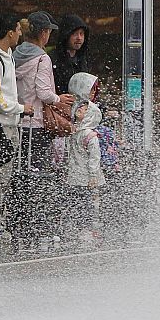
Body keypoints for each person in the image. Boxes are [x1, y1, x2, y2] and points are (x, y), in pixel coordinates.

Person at [0, 15, 33, 240]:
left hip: (12, 125)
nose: (20, 33)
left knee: (4, 179)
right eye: (18, 29)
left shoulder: (9, 55)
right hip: (0, 127)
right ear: (10, 32)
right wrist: (21, 108)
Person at [14, 11, 74, 171]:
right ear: (43, 33)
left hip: (16, 120)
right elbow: (43, 93)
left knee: (19, 169)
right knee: (36, 171)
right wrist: (58, 99)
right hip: (35, 122)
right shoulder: (42, 58)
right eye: (49, 32)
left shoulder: (14, 55)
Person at [65, 72, 106, 245]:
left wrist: (93, 176)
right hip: (75, 175)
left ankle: (87, 228)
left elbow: (94, 158)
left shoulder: (89, 135)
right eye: (80, 108)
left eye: (85, 109)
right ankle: (78, 228)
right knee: (77, 201)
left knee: (86, 203)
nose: (81, 109)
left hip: (85, 177)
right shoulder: (74, 131)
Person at [50, 14, 90, 95]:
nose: (79, 38)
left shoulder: (83, 58)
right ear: (66, 35)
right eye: (75, 34)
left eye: (81, 34)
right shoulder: (53, 59)